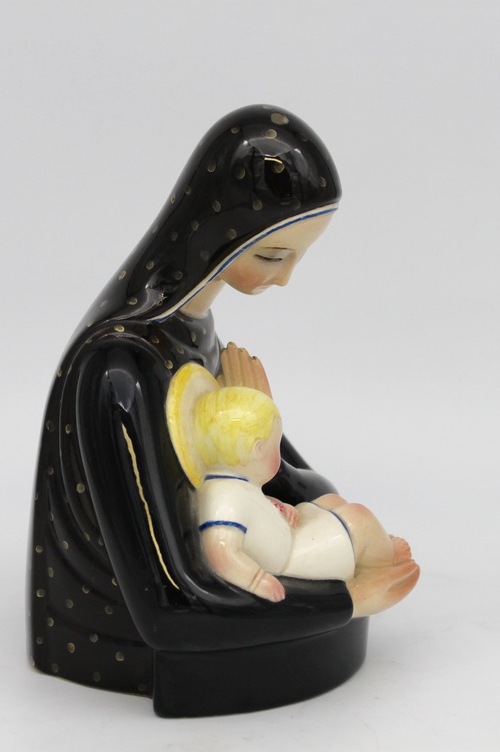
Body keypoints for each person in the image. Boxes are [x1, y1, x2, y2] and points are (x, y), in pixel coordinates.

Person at [29, 105, 392, 716]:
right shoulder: (119, 366)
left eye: (298, 258)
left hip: (229, 531)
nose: (285, 280)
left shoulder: (193, 327)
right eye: (272, 256)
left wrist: (324, 499)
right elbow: (168, 606)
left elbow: (269, 467)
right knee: (336, 547)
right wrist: (348, 601)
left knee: (342, 522)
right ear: (220, 232)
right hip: (127, 630)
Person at [166, 359, 419, 617]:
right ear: (257, 449)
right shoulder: (225, 499)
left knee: (331, 501)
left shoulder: (230, 483)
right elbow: (220, 548)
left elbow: (254, 513)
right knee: (359, 517)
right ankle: (382, 560)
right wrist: (256, 580)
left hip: (287, 537)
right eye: (274, 445)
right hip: (291, 559)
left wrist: (279, 507)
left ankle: (372, 545)